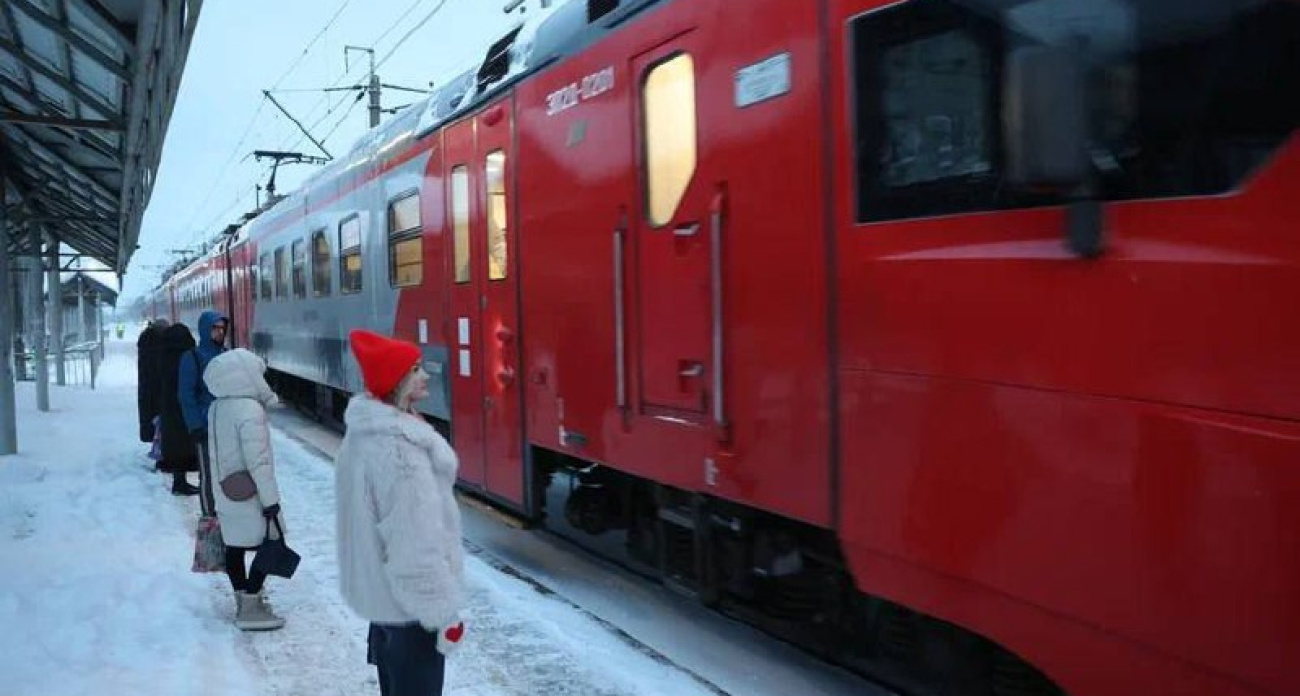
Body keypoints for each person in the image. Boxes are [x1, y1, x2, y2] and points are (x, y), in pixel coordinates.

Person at [335, 329, 466, 696]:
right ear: (397, 383)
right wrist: (441, 611)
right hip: (411, 603)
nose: (425, 376)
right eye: (415, 370)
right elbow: (414, 541)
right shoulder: (400, 450)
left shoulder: (366, 434)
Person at [204, 348, 287, 631]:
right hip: (252, 493)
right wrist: (271, 501)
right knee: (271, 541)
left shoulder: (217, 407)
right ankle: (251, 605)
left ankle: (242, 599)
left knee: (235, 546)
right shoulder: (250, 410)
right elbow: (258, 461)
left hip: (226, 488)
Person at [178, 310, 229, 509]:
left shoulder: (227, 356)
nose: (220, 332)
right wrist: (195, 425)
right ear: (206, 330)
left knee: (228, 473)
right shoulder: (192, 357)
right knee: (208, 473)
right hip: (205, 427)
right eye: (215, 328)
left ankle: (226, 513)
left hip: (226, 425)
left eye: (222, 328)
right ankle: (209, 513)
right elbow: (186, 394)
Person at [155, 323, 200, 495]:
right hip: (183, 405)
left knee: (175, 444)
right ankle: (181, 484)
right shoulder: (187, 357)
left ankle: (179, 480)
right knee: (185, 443)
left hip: (168, 406)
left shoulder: (164, 354)